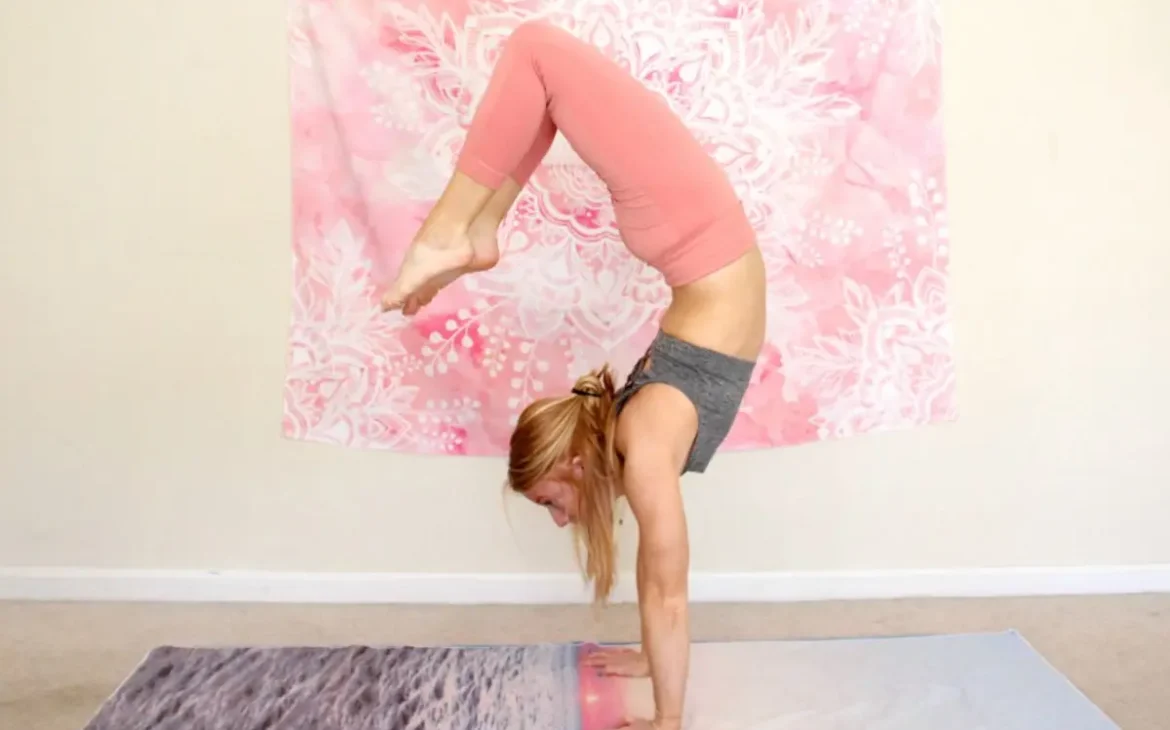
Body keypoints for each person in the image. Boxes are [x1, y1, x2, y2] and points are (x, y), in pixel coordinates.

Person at [381, 20, 766, 730]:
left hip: (689, 220)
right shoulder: (638, 436)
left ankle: (454, 232)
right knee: (543, 79)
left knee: (534, 50)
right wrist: (651, 659)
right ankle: (476, 230)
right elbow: (661, 587)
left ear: (577, 459)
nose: (562, 518)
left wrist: (667, 722)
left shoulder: (645, 442)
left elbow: (668, 593)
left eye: (550, 500)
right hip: (689, 229)